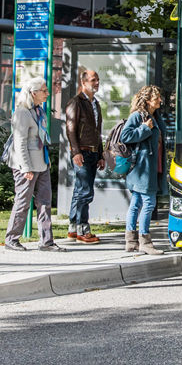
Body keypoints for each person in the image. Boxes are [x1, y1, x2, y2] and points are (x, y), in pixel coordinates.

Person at [4, 79, 67, 252]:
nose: (48, 93)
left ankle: (46, 241)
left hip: (42, 164)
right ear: (33, 93)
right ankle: (12, 239)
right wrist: (26, 168)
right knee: (22, 202)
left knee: (45, 202)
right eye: (44, 90)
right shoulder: (22, 113)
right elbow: (20, 142)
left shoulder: (39, 111)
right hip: (26, 166)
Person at [119, 85, 167, 256]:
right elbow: (125, 136)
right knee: (149, 203)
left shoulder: (155, 116)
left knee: (136, 202)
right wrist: (145, 128)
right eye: (156, 98)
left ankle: (131, 241)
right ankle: (144, 241)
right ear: (147, 101)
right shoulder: (138, 116)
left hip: (151, 165)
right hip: (142, 167)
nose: (160, 101)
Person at [63, 68, 105, 243]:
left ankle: (73, 227)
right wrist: (76, 152)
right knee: (85, 191)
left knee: (80, 190)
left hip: (93, 152)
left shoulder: (95, 103)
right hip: (82, 152)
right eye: (93, 80)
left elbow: (98, 131)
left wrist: (101, 154)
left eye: (97, 80)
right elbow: (70, 129)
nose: (96, 83)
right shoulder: (76, 102)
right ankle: (82, 228)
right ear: (83, 82)